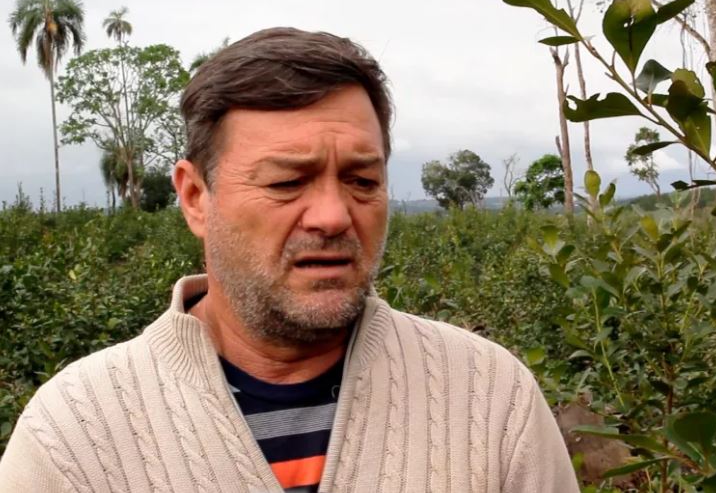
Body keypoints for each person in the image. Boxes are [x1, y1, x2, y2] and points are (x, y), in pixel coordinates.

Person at [0, 27, 579, 493]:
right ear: (196, 197)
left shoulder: (490, 398)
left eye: (362, 180)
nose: (333, 215)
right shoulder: (74, 436)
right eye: (286, 182)